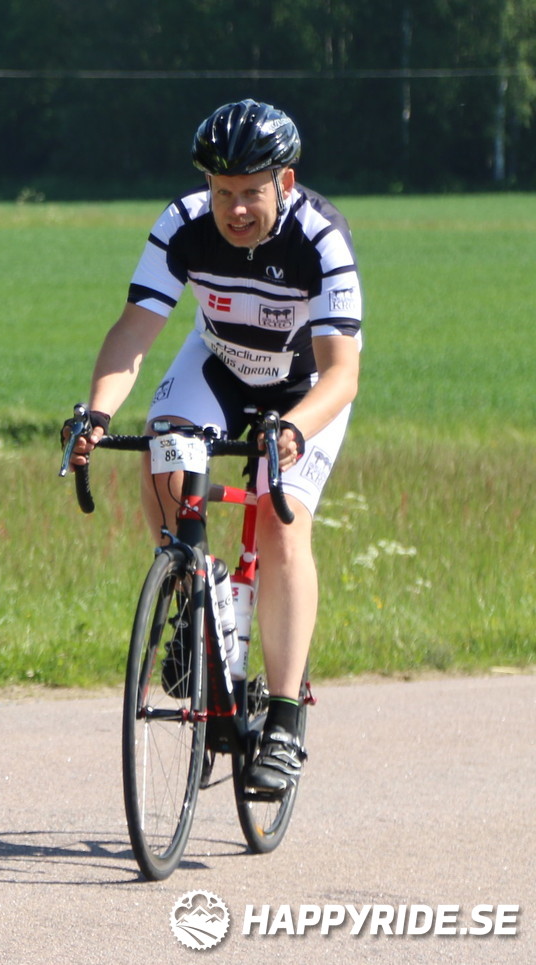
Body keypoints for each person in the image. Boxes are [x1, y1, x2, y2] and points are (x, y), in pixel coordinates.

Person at [67, 99, 362, 797]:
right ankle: (198, 598)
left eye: (250, 193)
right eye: (222, 192)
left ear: (284, 183)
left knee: (281, 519)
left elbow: (341, 374)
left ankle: (284, 718)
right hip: (220, 364)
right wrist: (97, 413)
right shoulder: (183, 222)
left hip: (306, 387)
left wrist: (294, 429)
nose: (235, 210)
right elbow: (134, 329)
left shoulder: (321, 238)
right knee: (163, 450)